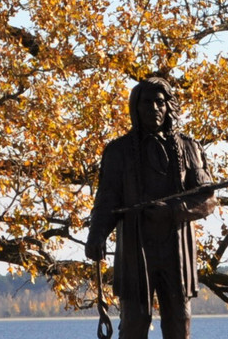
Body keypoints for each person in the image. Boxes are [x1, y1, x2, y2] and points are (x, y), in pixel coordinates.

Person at [86, 78, 217, 339]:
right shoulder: (118, 151)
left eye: (160, 102)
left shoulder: (190, 148)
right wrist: (97, 235)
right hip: (136, 248)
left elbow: (208, 200)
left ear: (169, 107)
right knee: (134, 322)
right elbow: (107, 200)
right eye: (147, 102)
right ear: (136, 107)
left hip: (176, 249)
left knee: (180, 322)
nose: (154, 108)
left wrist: (173, 210)